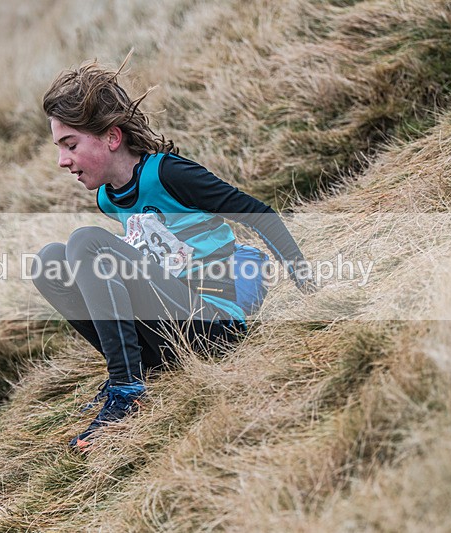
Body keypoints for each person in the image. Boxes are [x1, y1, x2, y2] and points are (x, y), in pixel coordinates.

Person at [33, 57, 313, 451]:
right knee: (49, 261)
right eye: (60, 148)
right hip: (171, 332)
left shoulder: (167, 174)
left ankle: (127, 391)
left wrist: (308, 285)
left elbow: (259, 215)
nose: (63, 160)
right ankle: (139, 367)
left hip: (214, 324)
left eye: (71, 145)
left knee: (85, 242)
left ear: (112, 138)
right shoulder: (107, 199)